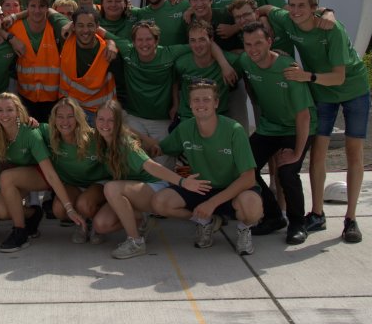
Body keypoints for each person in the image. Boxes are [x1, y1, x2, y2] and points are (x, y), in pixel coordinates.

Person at [260, 0, 370, 243]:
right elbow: (267, 9)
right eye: (292, 5)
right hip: (323, 91)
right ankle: (317, 213)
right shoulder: (287, 18)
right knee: (318, 151)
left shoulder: (332, 30)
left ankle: (350, 218)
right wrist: (261, 18)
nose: (296, 10)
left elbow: (339, 76)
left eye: (302, 6)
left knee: (354, 152)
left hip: (352, 88)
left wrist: (306, 76)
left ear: (313, 8)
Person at [152, 81, 263, 255]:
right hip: (202, 188)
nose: (201, 104)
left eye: (206, 99)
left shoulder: (234, 130)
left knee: (252, 208)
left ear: (216, 103)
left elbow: (248, 178)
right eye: (196, 100)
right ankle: (205, 222)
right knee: (160, 203)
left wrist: (212, 203)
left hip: (232, 190)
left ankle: (243, 229)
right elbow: (159, 148)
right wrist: (131, 138)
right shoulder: (185, 128)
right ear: (189, 104)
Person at [91, 100, 211, 260]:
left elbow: (152, 166)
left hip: (152, 187)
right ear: (95, 120)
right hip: (131, 189)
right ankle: (140, 221)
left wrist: (182, 182)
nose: (105, 124)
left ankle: (136, 242)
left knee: (111, 188)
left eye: (111, 120)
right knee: (101, 225)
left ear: (118, 122)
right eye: (101, 119)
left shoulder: (126, 143)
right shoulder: (99, 141)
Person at [107, 21, 235, 169]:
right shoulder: (128, 51)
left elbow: (204, 44)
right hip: (134, 117)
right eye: (140, 40)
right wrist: (110, 43)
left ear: (156, 41)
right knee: (133, 163)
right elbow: (101, 31)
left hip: (163, 120)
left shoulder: (170, 53)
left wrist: (224, 65)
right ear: (133, 43)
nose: (144, 44)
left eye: (148, 39)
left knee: (165, 166)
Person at [240, 22, 316, 245]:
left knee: (287, 172)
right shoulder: (246, 61)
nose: (253, 49)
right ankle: (273, 216)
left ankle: (297, 223)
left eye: (258, 43)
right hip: (270, 127)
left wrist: (296, 153)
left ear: (269, 42)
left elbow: (304, 116)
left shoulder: (287, 68)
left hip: (297, 128)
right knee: (243, 166)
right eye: (248, 44)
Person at [0, 93, 86, 252]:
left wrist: (69, 208)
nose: (4, 115)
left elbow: (50, 174)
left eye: (9, 110)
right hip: (18, 176)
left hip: (40, 174)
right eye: (0, 110)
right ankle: (33, 214)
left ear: (18, 111)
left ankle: (20, 232)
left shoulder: (30, 132)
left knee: (6, 177)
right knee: (0, 211)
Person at [38, 97, 110, 244]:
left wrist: (150, 144)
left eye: (70, 116)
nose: (65, 122)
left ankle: (96, 220)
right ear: (54, 119)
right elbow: (22, 122)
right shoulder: (48, 134)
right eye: (60, 117)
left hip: (98, 183)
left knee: (85, 205)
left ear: (78, 118)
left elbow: (123, 135)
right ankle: (81, 223)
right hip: (73, 185)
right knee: (59, 209)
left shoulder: (94, 137)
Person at [6, 0, 70, 121]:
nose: (37, 10)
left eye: (41, 6)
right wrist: (10, 37)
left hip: (53, 99)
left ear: (48, 8)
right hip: (25, 97)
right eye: (33, 6)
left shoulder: (55, 28)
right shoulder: (15, 27)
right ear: (26, 7)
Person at [172, 20, 240, 126]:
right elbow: (174, 82)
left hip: (217, 119)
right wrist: (175, 104)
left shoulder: (229, 62)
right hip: (188, 118)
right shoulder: (181, 64)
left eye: (202, 39)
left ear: (211, 40)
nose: (197, 45)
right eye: (193, 40)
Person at [58, 7, 117, 122]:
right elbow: (48, 12)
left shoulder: (109, 52)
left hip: (99, 113)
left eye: (90, 25)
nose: (85, 30)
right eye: (80, 25)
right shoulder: (66, 38)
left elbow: (121, 87)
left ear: (97, 27)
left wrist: (112, 42)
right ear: (73, 27)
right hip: (70, 108)